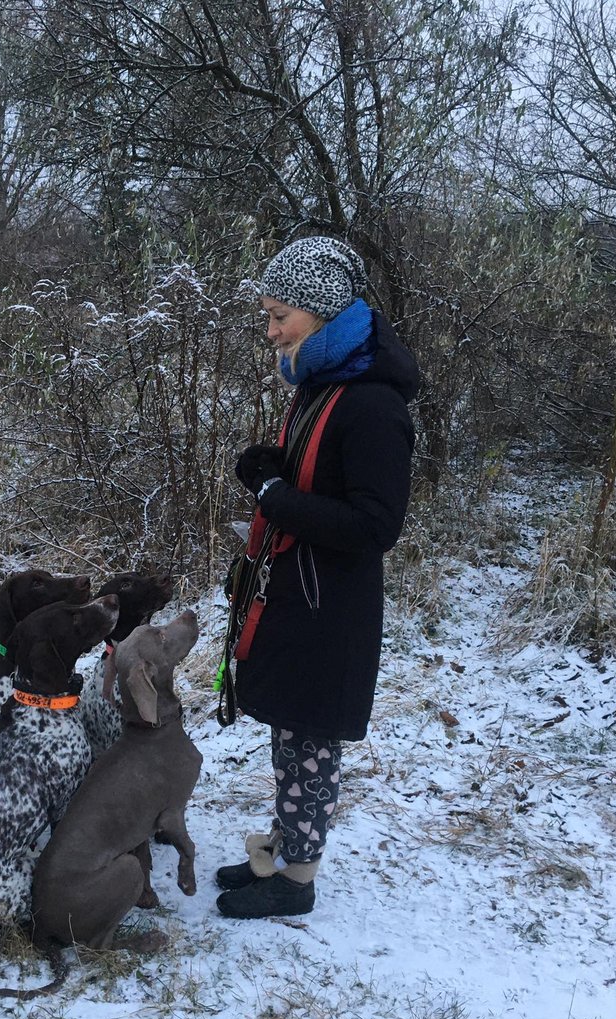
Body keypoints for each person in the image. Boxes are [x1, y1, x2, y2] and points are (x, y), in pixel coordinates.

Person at [216, 235, 419, 919]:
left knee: (311, 742)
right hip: (299, 595)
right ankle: (280, 848)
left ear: (324, 310)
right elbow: (319, 469)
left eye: (281, 316)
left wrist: (275, 496)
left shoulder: (372, 404)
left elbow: (373, 525)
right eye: (268, 316)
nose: (271, 331)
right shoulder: (322, 381)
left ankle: (296, 880)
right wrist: (272, 463)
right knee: (291, 732)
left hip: (329, 607)